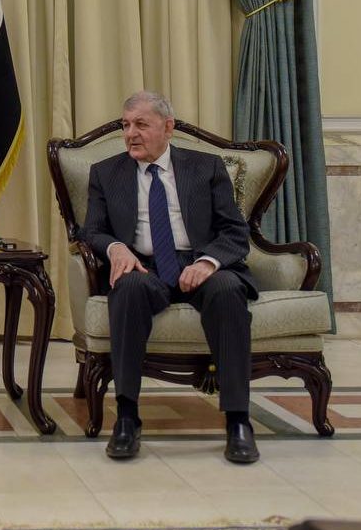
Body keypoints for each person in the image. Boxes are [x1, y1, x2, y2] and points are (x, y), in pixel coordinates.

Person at [80, 91, 260, 464]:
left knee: (228, 290)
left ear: (168, 127)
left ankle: (238, 421)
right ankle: (127, 417)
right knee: (126, 288)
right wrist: (116, 248)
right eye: (125, 125)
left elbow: (235, 232)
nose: (130, 134)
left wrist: (208, 262)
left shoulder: (206, 167)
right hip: (143, 265)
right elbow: (92, 231)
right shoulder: (106, 173)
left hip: (198, 263)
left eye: (140, 125)